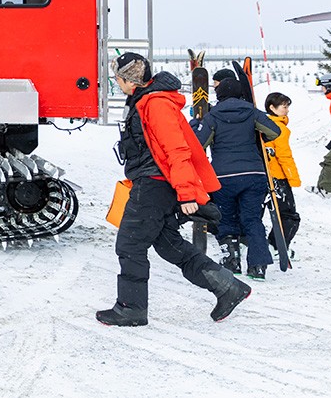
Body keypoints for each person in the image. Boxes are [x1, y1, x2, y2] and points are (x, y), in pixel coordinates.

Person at [98, 52, 250, 327]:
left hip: (154, 184)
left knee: (130, 244)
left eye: (117, 78)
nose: (117, 83)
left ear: (128, 80)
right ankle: (227, 287)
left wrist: (187, 193)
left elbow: (176, 150)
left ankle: (130, 308)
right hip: (156, 182)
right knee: (169, 246)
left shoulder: (155, 104)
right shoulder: (147, 100)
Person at [190, 78, 280, 279]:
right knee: (252, 219)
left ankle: (232, 261)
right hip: (254, 175)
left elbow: (199, 145)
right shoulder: (251, 111)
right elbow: (275, 131)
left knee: (227, 218)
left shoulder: (213, 116)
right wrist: (259, 135)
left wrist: (196, 124)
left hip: (224, 177)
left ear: (219, 95)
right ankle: (258, 266)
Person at [263, 92, 300, 252]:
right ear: (272, 107)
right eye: (284, 106)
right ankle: (276, 246)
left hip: (262, 175)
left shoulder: (262, 124)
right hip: (277, 177)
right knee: (289, 216)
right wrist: (293, 179)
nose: (287, 110)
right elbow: (284, 156)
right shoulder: (279, 128)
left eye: (287, 106)